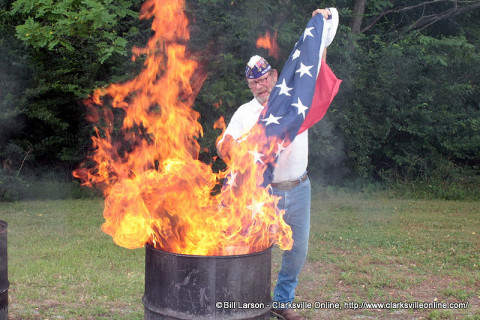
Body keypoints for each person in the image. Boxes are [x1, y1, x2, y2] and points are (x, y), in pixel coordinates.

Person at [217, 8, 336, 320]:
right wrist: (230, 149)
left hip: (299, 188)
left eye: (265, 78)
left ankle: (282, 301)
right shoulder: (244, 113)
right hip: (262, 193)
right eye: (253, 82)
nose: (260, 85)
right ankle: (246, 303)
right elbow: (223, 145)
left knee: (297, 252)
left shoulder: (296, 101)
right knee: (250, 249)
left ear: (274, 76)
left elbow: (317, 59)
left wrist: (324, 19)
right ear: (249, 85)